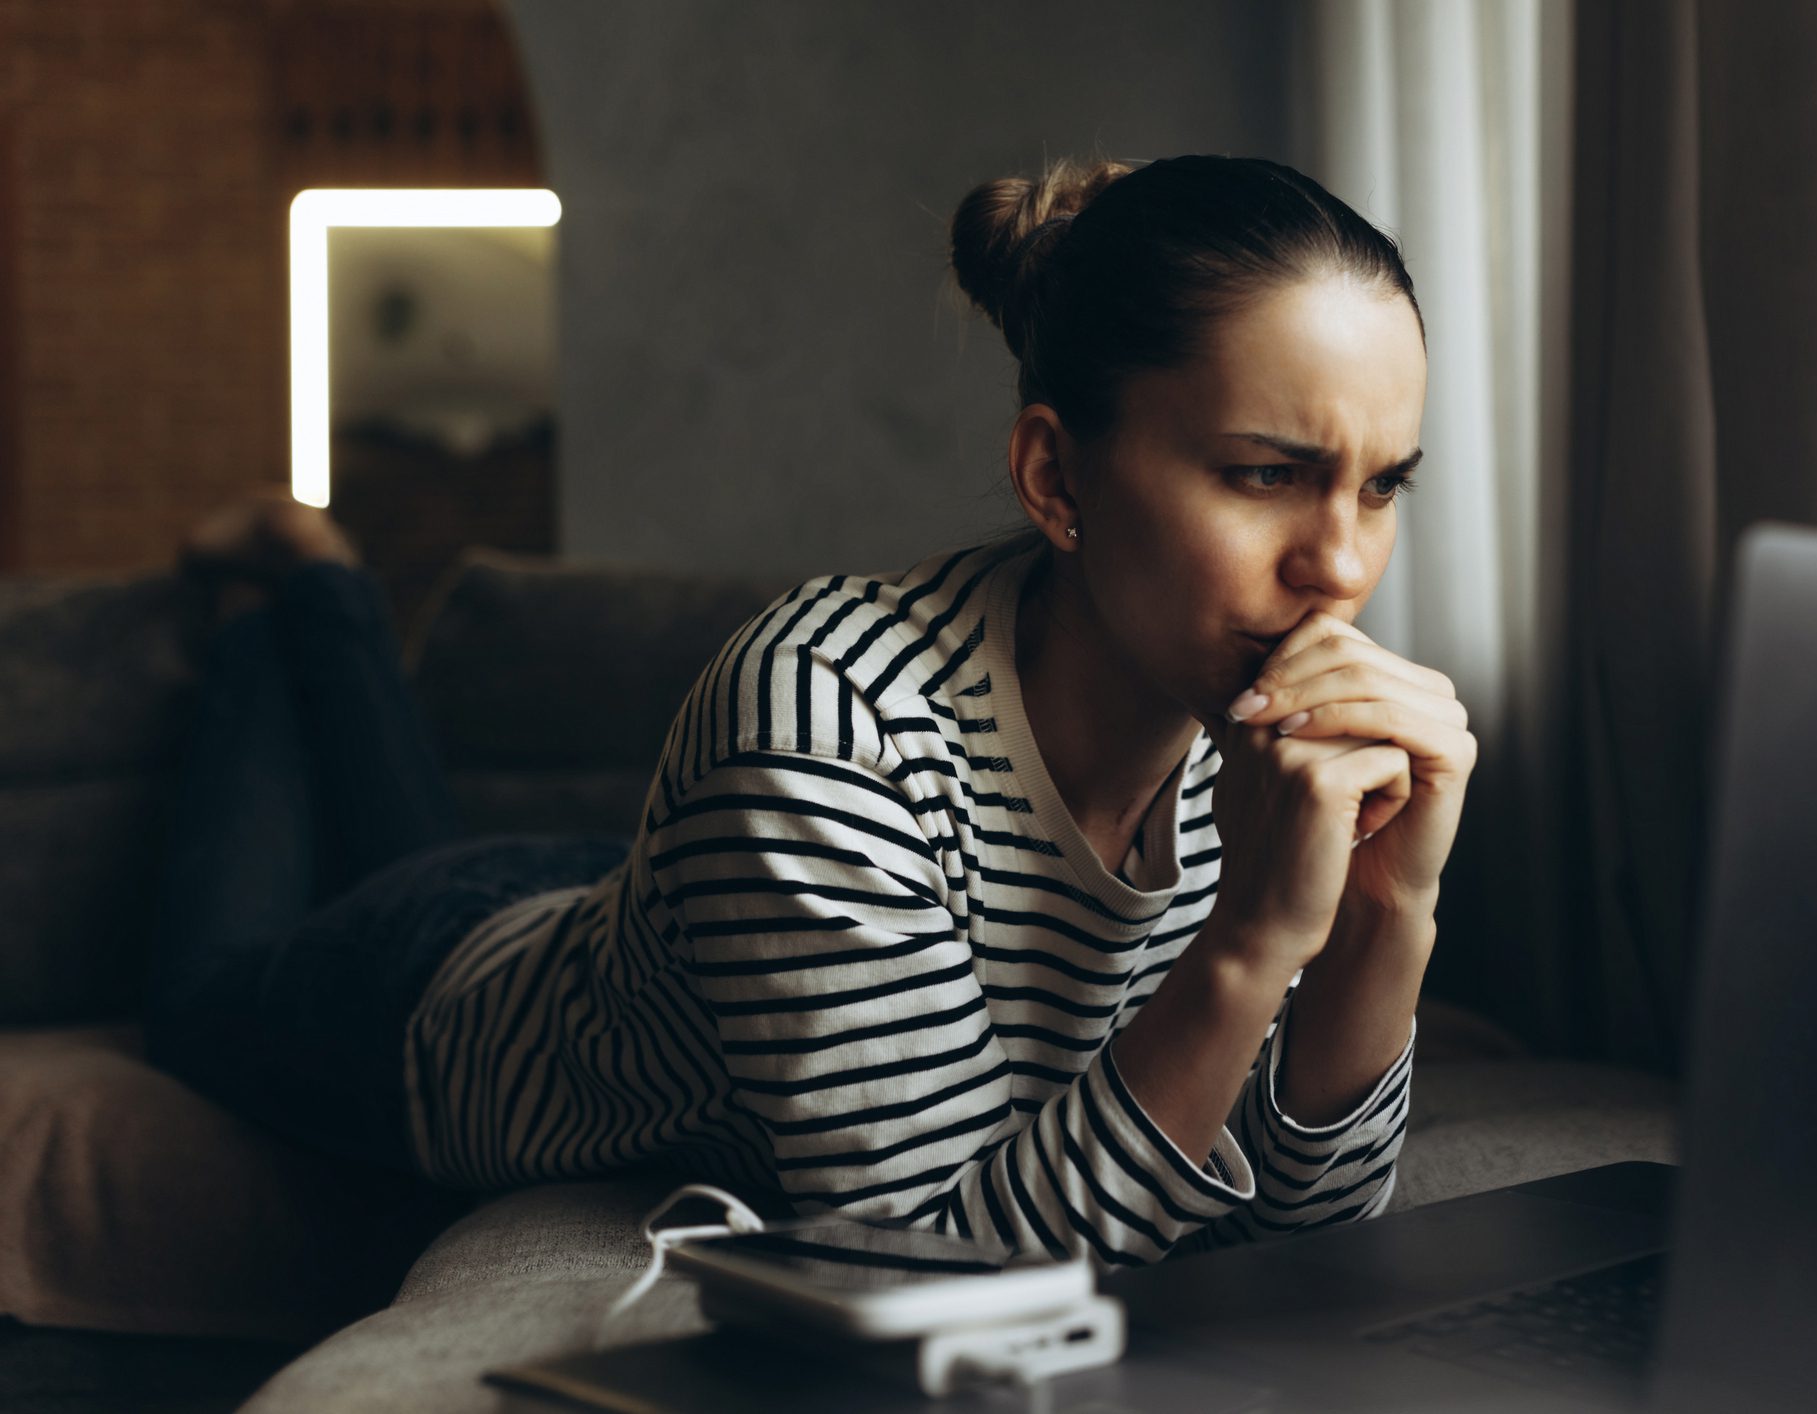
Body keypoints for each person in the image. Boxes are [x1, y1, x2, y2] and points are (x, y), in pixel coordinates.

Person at [146, 152, 1474, 1272]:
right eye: (1264, 474)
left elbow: (1312, 1234)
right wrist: (1247, 942)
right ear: (1055, 473)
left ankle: (325, 596)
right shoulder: (823, 716)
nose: (1341, 565)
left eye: (1378, 485)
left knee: (402, 833)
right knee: (193, 994)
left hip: (650, 909)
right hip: (424, 995)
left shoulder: (1254, 720)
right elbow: (934, 1265)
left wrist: (1382, 913)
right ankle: (291, 597)